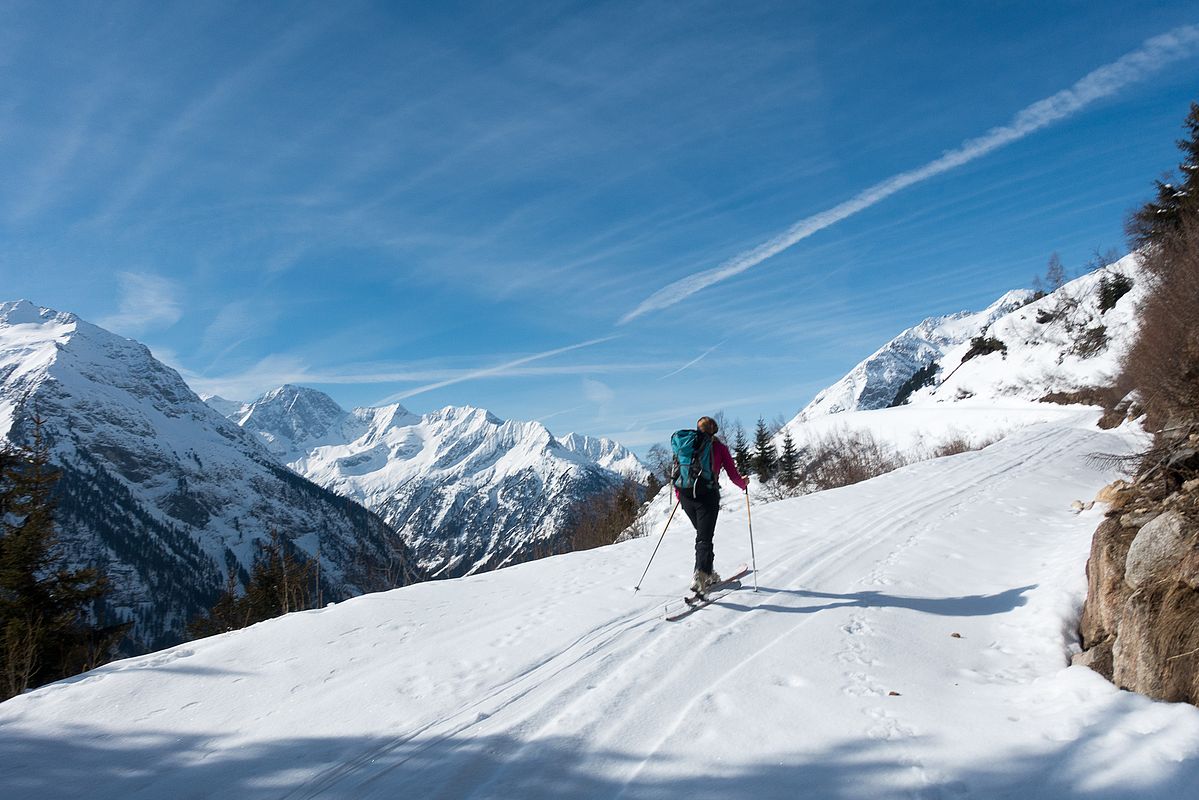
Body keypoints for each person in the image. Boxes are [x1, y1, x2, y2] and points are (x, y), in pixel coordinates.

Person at [677, 416, 747, 593]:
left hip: (686, 497)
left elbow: (677, 472)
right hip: (707, 497)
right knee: (704, 538)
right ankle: (700, 576)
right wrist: (743, 484)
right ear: (714, 430)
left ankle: (708, 572)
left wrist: (680, 496)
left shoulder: (686, 445)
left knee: (704, 536)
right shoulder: (720, 448)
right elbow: (733, 474)